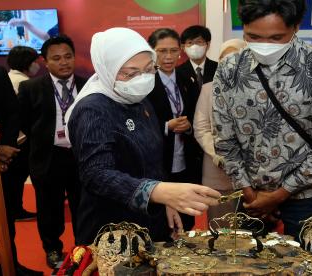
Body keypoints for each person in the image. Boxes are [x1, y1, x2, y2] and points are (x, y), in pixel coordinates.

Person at [65, 27, 221, 245]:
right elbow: (96, 174)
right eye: (130, 73)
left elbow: (152, 160)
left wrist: (166, 201)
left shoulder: (139, 98)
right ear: (107, 69)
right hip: (113, 228)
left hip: (150, 220)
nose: (142, 79)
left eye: (149, 69)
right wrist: (158, 192)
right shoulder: (93, 108)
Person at [212, 0, 312, 239]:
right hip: (249, 196)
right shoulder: (229, 68)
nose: (264, 45)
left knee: (310, 264)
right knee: (244, 266)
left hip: (304, 197)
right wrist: (249, 192)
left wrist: (280, 193)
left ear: (295, 27)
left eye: (276, 38)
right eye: (253, 36)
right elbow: (224, 138)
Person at [18, 35, 86, 268]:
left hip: (81, 156)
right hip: (49, 156)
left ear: (74, 57)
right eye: (56, 58)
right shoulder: (31, 88)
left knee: (83, 205)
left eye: (68, 56)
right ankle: (53, 249)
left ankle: (83, 247)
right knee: (49, 208)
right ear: (46, 62)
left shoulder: (88, 85)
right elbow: (26, 123)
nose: (64, 62)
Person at [0, 61, 43, 275]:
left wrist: (5, 146)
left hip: (3, 159)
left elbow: (13, 112)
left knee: (4, 219)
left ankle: (10, 267)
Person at [147, 28, 201, 231]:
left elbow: (199, 117)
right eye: (162, 51)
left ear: (181, 51)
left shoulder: (188, 78)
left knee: (187, 215)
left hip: (185, 159)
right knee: (161, 219)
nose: (168, 57)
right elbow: (139, 123)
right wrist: (166, 126)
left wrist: (189, 128)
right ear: (152, 51)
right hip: (159, 160)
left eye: (173, 50)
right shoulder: (145, 81)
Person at [194, 38, 246, 220]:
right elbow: (201, 128)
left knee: (252, 231)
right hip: (217, 170)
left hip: (252, 173)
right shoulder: (209, 88)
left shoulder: (258, 89)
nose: (229, 63)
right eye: (224, 58)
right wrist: (220, 154)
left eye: (235, 57)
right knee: (221, 230)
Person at [6, 46, 40, 222]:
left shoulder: (8, 78)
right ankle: (15, 209)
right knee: (17, 176)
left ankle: (14, 208)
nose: (37, 64)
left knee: (14, 177)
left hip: (13, 138)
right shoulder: (23, 83)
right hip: (21, 138)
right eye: (34, 61)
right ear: (26, 63)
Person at [177, 25, 218, 105]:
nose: (194, 46)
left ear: (208, 45)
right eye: (190, 43)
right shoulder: (178, 72)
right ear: (183, 47)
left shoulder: (219, 68)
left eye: (199, 42)